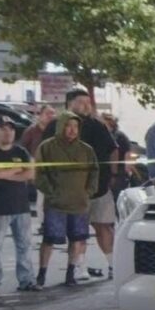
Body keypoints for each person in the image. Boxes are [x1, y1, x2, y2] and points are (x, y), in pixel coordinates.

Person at [43, 90, 117, 280]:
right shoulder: (54, 127)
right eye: (81, 101)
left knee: (104, 226)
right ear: (69, 104)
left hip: (99, 188)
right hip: (69, 192)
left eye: (88, 101)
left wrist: (114, 175)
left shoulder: (97, 126)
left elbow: (112, 150)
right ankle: (79, 267)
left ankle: (113, 265)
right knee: (77, 232)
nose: (86, 105)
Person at [34, 113, 98, 287]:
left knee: (77, 239)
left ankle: (70, 273)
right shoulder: (47, 147)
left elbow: (94, 172)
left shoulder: (86, 149)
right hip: (55, 204)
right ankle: (41, 274)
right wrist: (51, 192)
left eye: (75, 127)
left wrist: (89, 192)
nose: (72, 130)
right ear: (61, 126)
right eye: (68, 126)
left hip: (79, 203)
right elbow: (39, 174)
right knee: (49, 239)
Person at [0, 117, 40, 293]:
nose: (8, 132)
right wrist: (18, 168)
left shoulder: (20, 151)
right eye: (3, 128)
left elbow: (30, 174)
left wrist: (7, 172)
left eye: (11, 129)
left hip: (21, 207)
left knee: (24, 246)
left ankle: (27, 280)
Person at [100, 112, 132, 221]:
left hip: (119, 173)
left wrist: (127, 170)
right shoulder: (105, 135)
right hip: (109, 173)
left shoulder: (119, 136)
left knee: (118, 201)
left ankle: (122, 222)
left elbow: (127, 153)